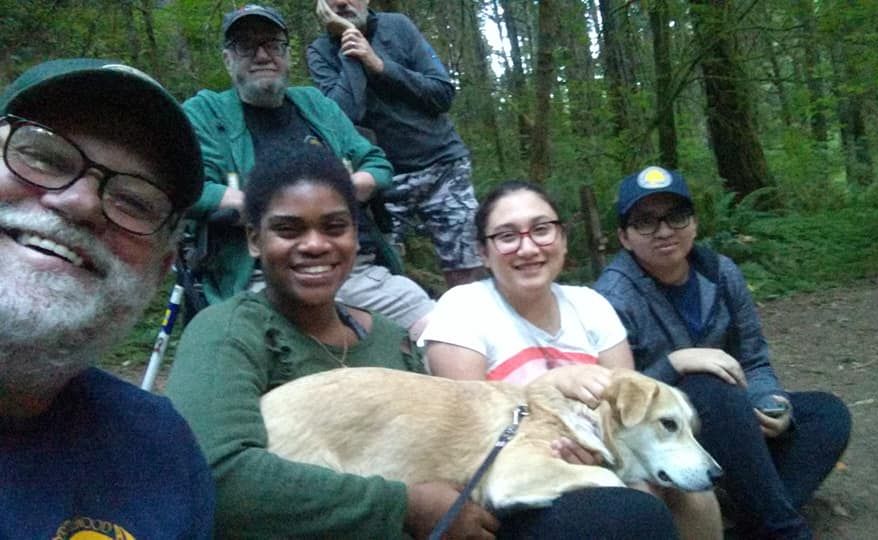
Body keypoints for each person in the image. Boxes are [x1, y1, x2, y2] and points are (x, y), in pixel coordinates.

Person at [164, 153, 664, 539]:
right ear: (254, 240)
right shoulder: (226, 331)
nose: (315, 244)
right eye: (288, 229)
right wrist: (406, 507)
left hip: (452, 518)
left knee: (625, 516)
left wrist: (558, 459)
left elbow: (452, 444)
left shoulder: (387, 336)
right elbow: (217, 476)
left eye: (335, 227)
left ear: (356, 237)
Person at [420, 180, 711, 539]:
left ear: (562, 238)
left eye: (542, 230)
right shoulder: (463, 308)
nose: (528, 247)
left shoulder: (590, 305)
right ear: (483, 252)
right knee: (636, 508)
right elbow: (470, 428)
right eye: (507, 236)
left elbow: (625, 413)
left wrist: (602, 458)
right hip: (508, 485)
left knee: (695, 495)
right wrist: (552, 383)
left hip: (597, 460)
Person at [0, 58, 214, 538]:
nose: (82, 203)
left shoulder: (161, 452)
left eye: (135, 202)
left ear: (159, 270)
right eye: (42, 156)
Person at [594, 165, 853, 540]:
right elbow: (617, 398)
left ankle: (756, 519)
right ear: (625, 237)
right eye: (645, 222)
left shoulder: (720, 272)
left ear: (694, 224)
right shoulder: (612, 297)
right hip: (670, 436)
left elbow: (754, 358)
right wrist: (676, 363)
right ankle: (783, 528)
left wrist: (772, 402)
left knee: (826, 414)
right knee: (707, 385)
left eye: (676, 216)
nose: (664, 231)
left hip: (736, 416)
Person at [185, 4, 435, 339]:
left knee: (443, 333)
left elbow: (377, 164)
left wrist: (343, 190)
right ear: (228, 59)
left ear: (288, 56)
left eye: (273, 45)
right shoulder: (206, 112)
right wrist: (253, 206)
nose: (262, 55)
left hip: (356, 273)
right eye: (246, 46)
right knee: (289, 357)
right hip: (263, 282)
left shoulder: (316, 106)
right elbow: (186, 186)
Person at [308, 0, 487, 288]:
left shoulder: (398, 27)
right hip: (381, 183)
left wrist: (378, 65)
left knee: (468, 273)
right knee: (383, 277)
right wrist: (349, 46)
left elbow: (442, 94)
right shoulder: (320, 51)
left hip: (443, 168)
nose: (341, 2)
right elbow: (343, 117)